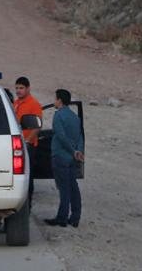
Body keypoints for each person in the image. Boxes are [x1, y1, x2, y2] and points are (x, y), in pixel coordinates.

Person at [44, 87, 83, 228]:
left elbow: (60, 136)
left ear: (59, 100)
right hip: (71, 158)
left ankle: (62, 218)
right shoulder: (74, 117)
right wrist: (78, 151)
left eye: (55, 99)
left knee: (64, 188)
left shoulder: (58, 115)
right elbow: (79, 137)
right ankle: (75, 216)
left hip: (60, 155)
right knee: (73, 186)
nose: (54, 101)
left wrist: (72, 150)